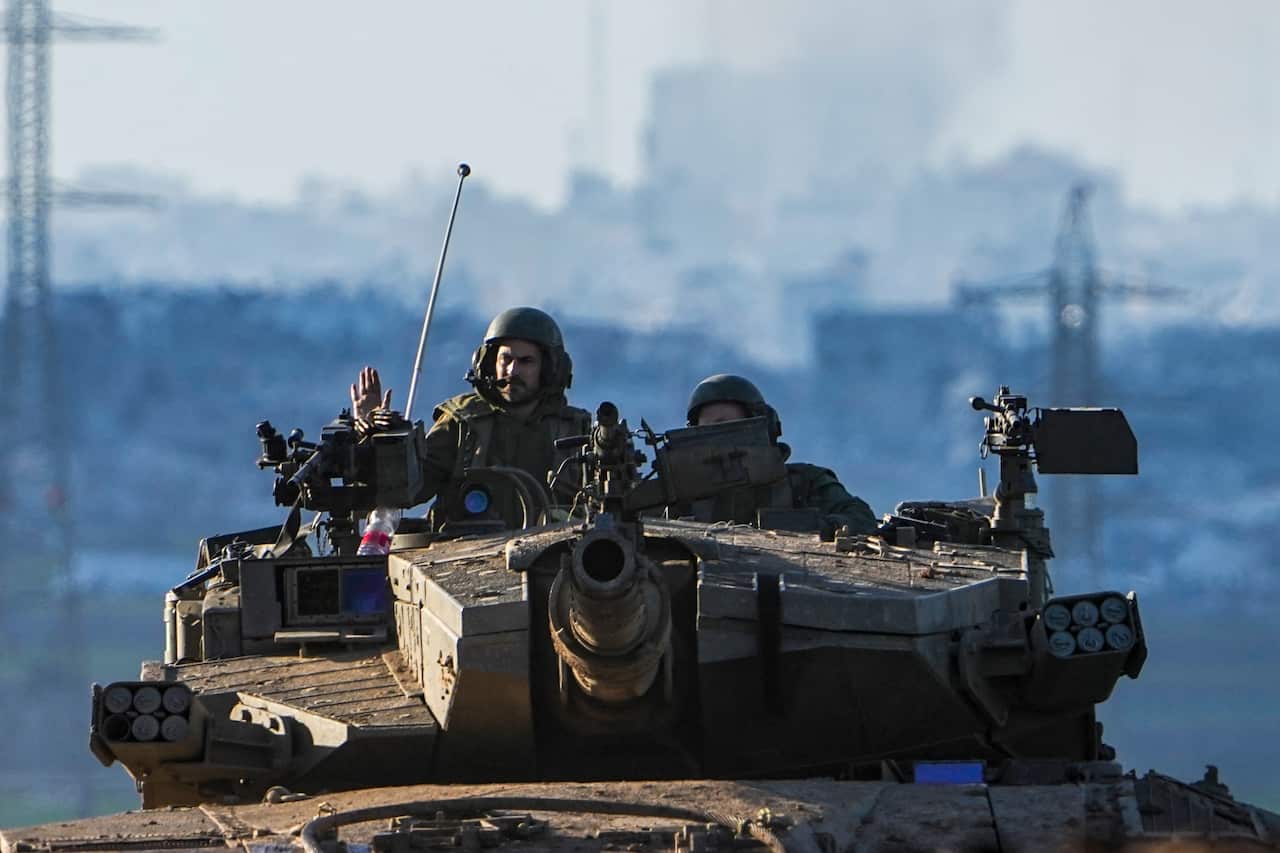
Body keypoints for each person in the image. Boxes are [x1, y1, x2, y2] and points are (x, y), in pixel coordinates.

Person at [351, 307, 591, 528]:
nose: (512, 371)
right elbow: (409, 488)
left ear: (549, 368)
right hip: (462, 558)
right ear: (489, 363)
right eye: (505, 359)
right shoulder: (462, 422)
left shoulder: (575, 432)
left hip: (551, 562)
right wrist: (378, 438)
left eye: (526, 361)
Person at [678, 373, 878, 534]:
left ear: (760, 428)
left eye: (726, 427)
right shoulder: (681, 495)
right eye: (705, 431)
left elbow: (861, 518)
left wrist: (808, 526)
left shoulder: (805, 483)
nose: (717, 439)